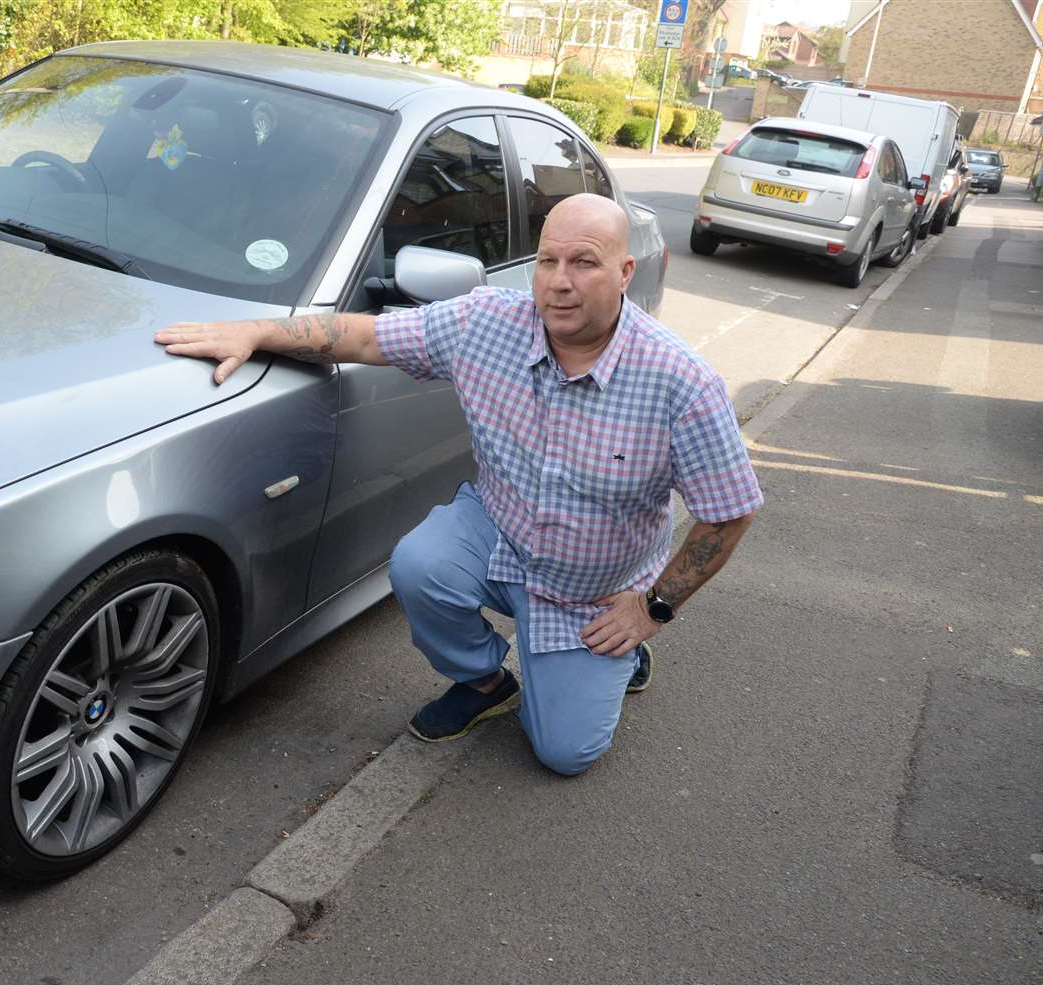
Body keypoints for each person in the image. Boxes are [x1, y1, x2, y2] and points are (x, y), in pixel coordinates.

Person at [155, 193, 761, 776]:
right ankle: (485, 682)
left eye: (584, 263)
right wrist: (256, 332)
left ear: (625, 271)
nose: (559, 281)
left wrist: (653, 607)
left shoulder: (682, 383)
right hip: (502, 535)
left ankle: (617, 656)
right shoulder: (485, 321)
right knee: (420, 564)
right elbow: (365, 337)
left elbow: (729, 513)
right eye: (548, 260)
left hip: (595, 591)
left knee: (564, 753)